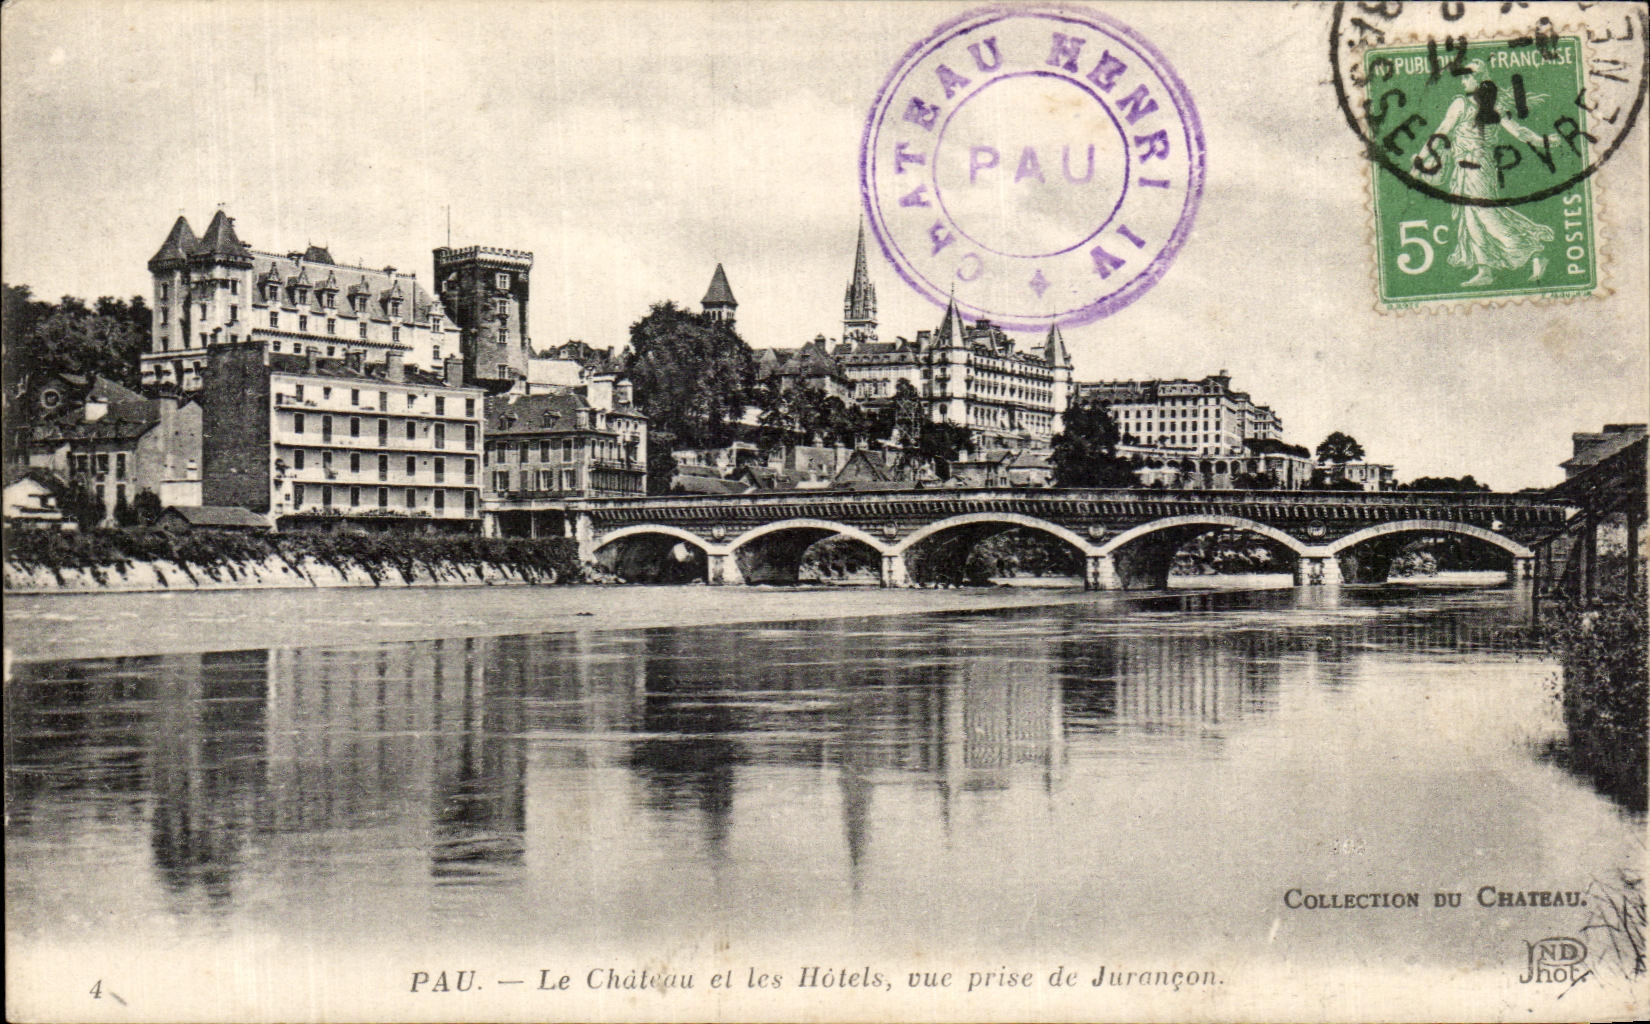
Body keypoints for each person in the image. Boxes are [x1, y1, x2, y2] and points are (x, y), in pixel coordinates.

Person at [1419, 61, 1554, 287]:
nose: (1463, 81)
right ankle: (1486, 270)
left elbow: (1441, 132)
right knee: (1471, 218)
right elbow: (1441, 133)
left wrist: (1542, 141)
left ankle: (1534, 252)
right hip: (1466, 168)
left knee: (1486, 216)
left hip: (1478, 168)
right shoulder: (1472, 104)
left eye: (1466, 77)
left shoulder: (1469, 105)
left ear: (1479, 79)